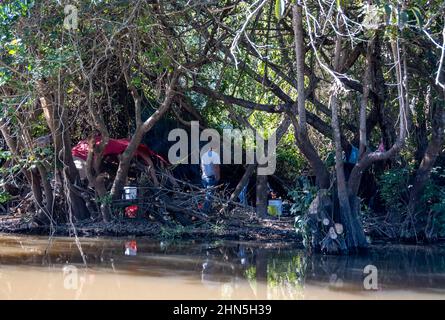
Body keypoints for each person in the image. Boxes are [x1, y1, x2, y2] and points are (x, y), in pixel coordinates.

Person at [201, 148, 220, 213]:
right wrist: (217, 177)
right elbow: (216, 167)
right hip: (211, 178)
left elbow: (202, 167)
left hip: (204, 177)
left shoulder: (204, 155)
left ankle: (203, 209)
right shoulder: (215, 155)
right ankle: (205, 211)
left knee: (205, 195)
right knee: (209, 196)